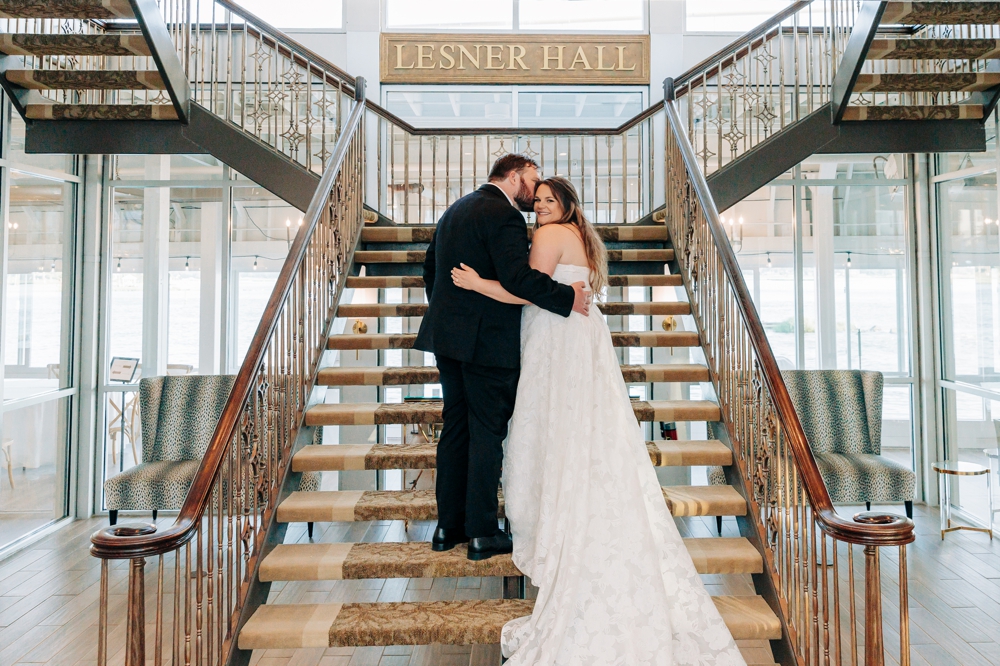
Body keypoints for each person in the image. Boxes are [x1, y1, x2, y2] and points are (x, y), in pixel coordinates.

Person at [450, 176, 747, 665]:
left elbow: (528, 291)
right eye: (538, 200)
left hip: (555, 337)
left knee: (551, 427)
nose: (541, 207)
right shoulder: (580, 235)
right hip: (579, 336)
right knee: (577, 428)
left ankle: (558, 515)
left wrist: (479, 283)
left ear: (565, 204)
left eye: (549, 200)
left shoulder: (548, 235)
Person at [414, 155, 592, 561]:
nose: (535, 188)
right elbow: (519, 279)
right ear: (515, 175)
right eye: (533, 178)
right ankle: (481, 533)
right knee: (486, 434)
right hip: (485, 343)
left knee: (456, 429)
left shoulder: (456, 208)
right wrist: (568, 297)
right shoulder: (504, 214)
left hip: (447, 339)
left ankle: (448, 527)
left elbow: (430, 269)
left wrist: (450, 312)